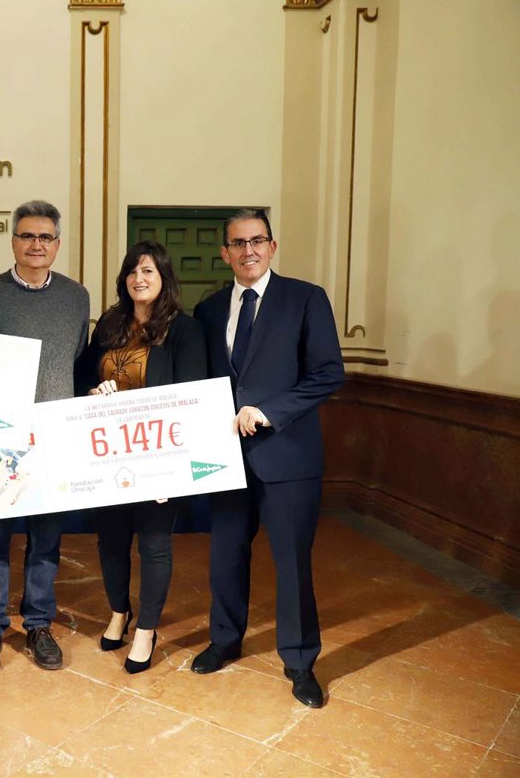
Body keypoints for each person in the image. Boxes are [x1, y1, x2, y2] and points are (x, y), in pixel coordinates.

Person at [191, 209, 344, 708]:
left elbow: (327, 374)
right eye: (238, 243)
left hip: (288, 458)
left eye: (257, 241)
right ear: (225, 253)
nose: (248, 250)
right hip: (225, 458)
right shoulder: (209, 310)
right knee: (225, 556)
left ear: (272, 247)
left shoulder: (306, 299)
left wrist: (270, 412)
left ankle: (300, 661)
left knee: (292, 563)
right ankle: (224, 639)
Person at [0, 199, 89, 674]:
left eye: (45, 237)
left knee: (46, 539)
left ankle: (38, 624)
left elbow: (76, 359)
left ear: (57, 244)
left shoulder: (77, 297)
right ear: (13, 241)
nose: (37, 244)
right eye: (28, 236)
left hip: (52, 437)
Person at [76, 241, 207, 673]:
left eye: (148, 271)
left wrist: (174, 469)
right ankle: (119, 612)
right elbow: (83, 378)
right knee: (111, 541)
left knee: (153, 544)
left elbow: (191, 396)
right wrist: (94, 391)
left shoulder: (184, 330)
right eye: (133, 271)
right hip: (107, 454)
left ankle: (147, 629)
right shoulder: (109, 324)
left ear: (164, 277)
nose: (139, 278)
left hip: (159, 455)